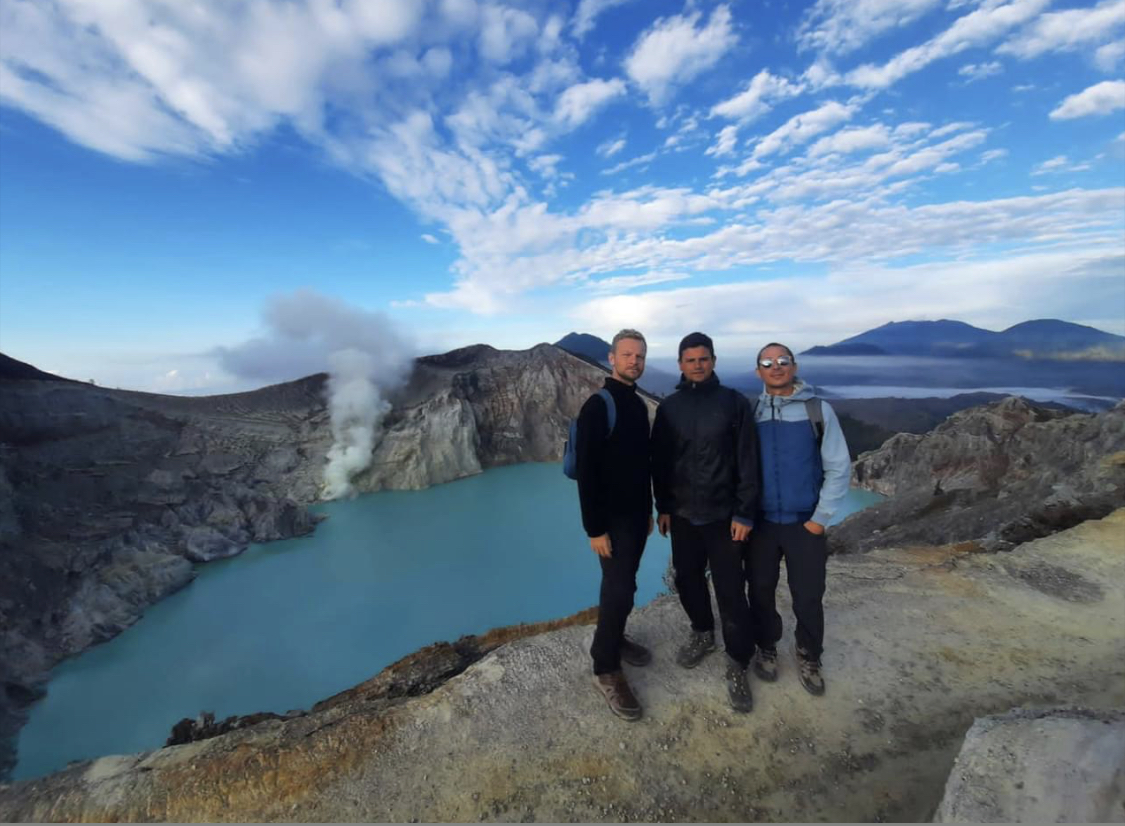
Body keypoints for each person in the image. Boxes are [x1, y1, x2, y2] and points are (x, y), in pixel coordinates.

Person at [651, 332, 759, 713]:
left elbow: (748, 461)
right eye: (690, 360)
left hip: (725, 517)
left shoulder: (734, 404)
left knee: (732, 591)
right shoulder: (670, 408)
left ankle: (737, 662)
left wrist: (745, 512)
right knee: (687, 580)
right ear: (680, 364)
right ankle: (702, 632)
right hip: (682, 515)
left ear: (714, 361)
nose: (697, 365)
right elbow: (661, 463)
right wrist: (662, 506)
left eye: (703, 359)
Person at [746, 343, 850, 696]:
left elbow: (838, 467)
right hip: (760, 523)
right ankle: (766, 645)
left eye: (782, 361)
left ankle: (808, 653)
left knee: (808, 594)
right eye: (767, 363)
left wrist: (820, 518)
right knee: (760, 590)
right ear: (758, 371)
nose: (775, 367)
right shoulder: (750, 412)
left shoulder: (817, 410)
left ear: (793, 366)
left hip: (804, 521)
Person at [576, 329, 655, 721]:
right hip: (610, 522)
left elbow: (641, 467)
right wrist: (595, 529)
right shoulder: (598, 406)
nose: (634, 362)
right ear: (611, 358)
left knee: (626, 585)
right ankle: (604, 667)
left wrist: (650, 510)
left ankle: (616, 636)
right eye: (627, 355)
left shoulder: (637, 405)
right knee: (618, 587)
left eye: (639, 356)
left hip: (636, 518)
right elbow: (588, 474)